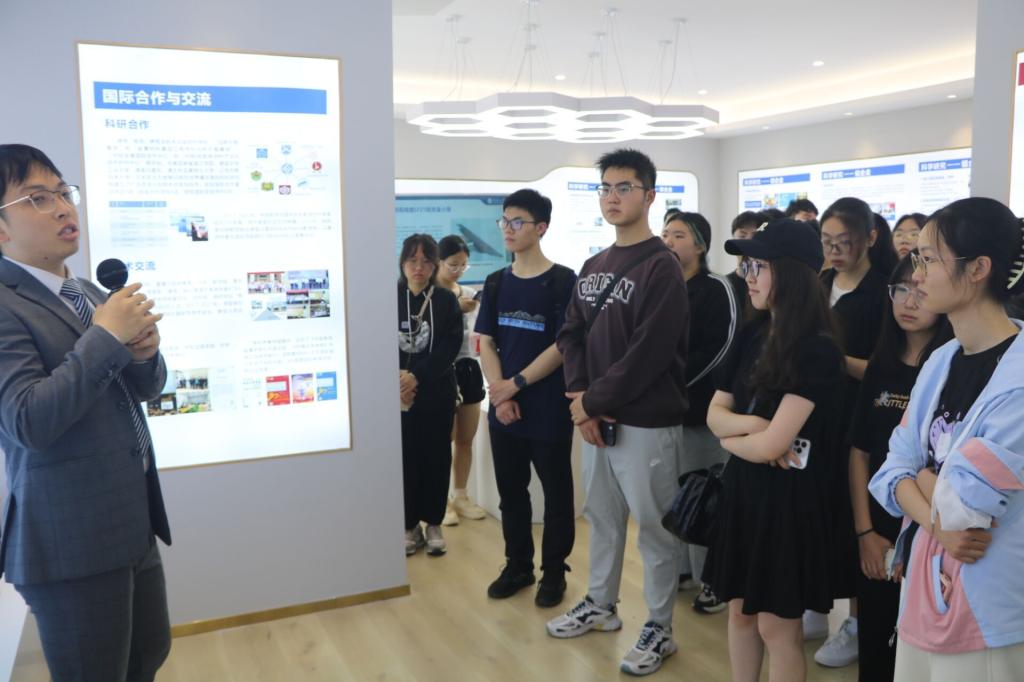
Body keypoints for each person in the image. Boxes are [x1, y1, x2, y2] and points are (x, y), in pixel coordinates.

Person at [0, 144, 172, 681]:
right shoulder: (5, 304)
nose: (62, 207)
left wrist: (144, 355)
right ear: (1, 229)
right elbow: (28, 421)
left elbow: (141, 391)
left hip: (131, 520)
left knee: (148, 658)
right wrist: (105, 337)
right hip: (69, 540)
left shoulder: (90, 292)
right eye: (37, 198)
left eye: (63, 192)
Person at [870, 197, 1024, 681]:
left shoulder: (1018, 378)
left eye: (928, 260)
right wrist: (934, 513)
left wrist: (920, 478)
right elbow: (891, 470)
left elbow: (966, 507)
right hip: (924, 587)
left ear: (978, 268)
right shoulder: (941, 360)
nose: (916, 276)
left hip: (987, 604)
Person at [548, 148, 689, 677]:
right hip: (594, 420)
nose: (612, 197)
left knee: (655, 529)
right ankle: (601, 604)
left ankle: (660, 628)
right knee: (602, 519)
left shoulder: (662, 267)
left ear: (649, 196)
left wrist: (591, 402)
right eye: (605, 187)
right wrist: (581, 398)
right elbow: (570, 335)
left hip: (646, 421)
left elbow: (649, 354)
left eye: (624, 187)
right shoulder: (593, 265)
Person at [702, 218, 845, 682]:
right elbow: (715, 414)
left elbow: (773, 446)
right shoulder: (752, 333)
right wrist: (750, 429)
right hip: (744, 493)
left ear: (792, 273)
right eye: (746, 266)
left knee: (776, 627)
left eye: (758, 266)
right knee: (740, 613)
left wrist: (733, 439)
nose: (748, 277)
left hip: (787, 505)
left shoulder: (818, 350)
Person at [849, 253, 952, 682]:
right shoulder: (880, 365)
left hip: (931, 533)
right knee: (875, 646)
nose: (909, 302)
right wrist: (864, 534)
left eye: (920, 292)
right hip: (878, 531)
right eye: (901, 290)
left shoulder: (950, 368)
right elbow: (859, 453)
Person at [475, 189, 577, 608]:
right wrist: (500, 395)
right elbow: (486, 341)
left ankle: (554, 572)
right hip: (505, 410)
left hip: (548, 407)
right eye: (505, 220)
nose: (508, 229)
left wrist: (514, 384)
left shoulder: (563, 281)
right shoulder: (496, 281)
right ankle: (518, 565)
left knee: (557, 496)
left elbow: (563, 345)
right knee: (511, 493)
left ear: (541, 228)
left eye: (518, 222)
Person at [810, 197, 891, 667]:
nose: (835, 251)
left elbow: (884, 370)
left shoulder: (884, 292)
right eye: (827, 242)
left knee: (854, 519)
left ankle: (858, 623)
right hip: (814, 418)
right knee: (816, 513)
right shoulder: (820, 284)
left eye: (844, 242)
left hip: (859, 418)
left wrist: (834, 361)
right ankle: (813, 602)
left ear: (870, 238)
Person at [660, 211, 738, 614]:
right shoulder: (660, 287)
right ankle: (682, 571)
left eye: (678, 235)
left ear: (701, 245)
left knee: (704, 496)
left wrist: (675, 386)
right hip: (662, 414)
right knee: (672, 494)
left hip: (700, 413)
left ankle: (714, 581)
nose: (668, 241)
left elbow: (720, 350)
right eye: (665, 234)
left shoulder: (716, 288)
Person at [397, 234, 462, 557]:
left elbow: (450, 346)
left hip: (436, 393)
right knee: (406, 459)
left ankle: (433, 522)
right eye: (412, 260)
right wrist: (399, 377)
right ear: (402, 263)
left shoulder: (446, 300)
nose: (418, 267)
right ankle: (408, 525)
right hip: (398, 395)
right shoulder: (389, 297)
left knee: (436, 458)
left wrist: (416, 376)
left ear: (434, 265)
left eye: (425, 261)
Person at [435, 235, 487, 527]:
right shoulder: (430, 294)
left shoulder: (468, 292)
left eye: (463, 265)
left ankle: (461, 495)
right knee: (442, 440)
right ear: (439, 262)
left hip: (468, 367)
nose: (458, 270)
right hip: (441, 371)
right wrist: (456, 309)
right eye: (453, 264)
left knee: (466, 438)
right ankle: (439, 500)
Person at [725, 211, 763, 303]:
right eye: (742, 236)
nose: (748, 242)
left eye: (755, 236)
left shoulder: (766, 284)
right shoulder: (725, 285)